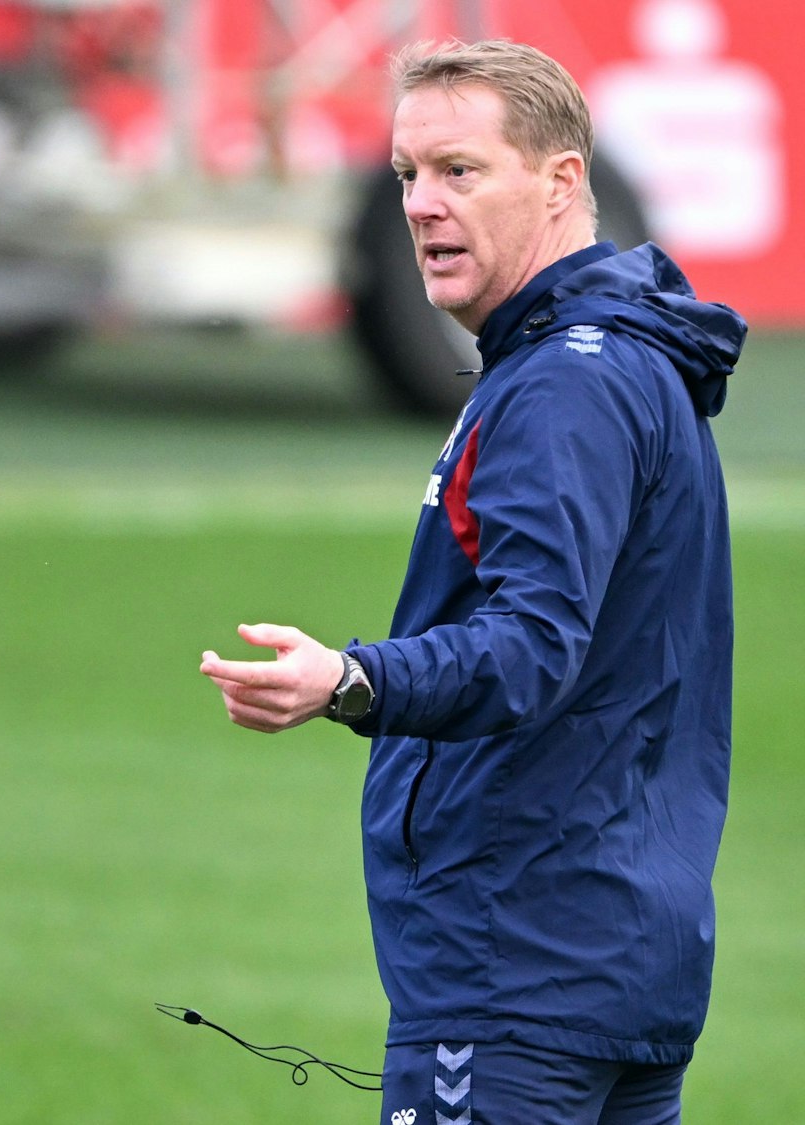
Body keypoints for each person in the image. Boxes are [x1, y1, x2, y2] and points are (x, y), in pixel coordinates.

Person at [198, 40, 744, 1125]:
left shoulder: (561, 390)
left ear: (560, 181)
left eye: (459, 171)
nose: (419, 206)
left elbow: (530, 644)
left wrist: (349, 680)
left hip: (515, 968)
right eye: (406, 175)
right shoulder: (628, 362)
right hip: (623, 953)